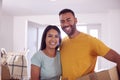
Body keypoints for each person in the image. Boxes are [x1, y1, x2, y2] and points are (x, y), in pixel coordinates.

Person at [58, 8, 120, 80]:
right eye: (62, 21)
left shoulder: (91, 41)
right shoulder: (62, 42)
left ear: (75, 20)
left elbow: (117, 58)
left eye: (68, 20)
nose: (65, 24)